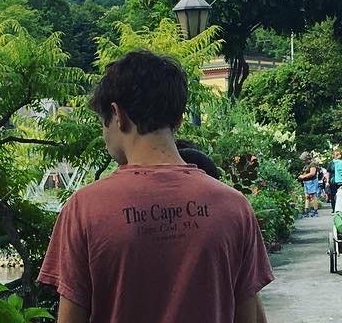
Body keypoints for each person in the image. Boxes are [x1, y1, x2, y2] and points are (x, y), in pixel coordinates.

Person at [38, 50, 272, 323]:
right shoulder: (234, 207)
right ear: (178, 120)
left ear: (117, 114)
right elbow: (250, 317)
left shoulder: (84, 209)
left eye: (104, 122)